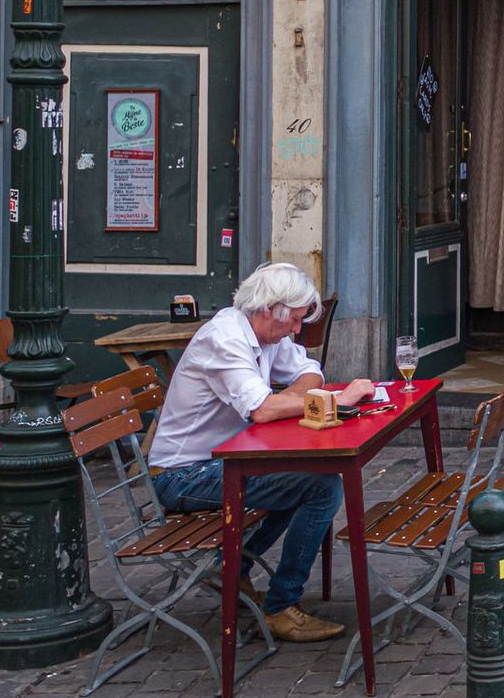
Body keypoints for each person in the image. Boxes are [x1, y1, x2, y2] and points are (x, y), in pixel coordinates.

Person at [147, 263, 374, 643]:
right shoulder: (224, 338)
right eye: (295, 320)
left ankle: (229, 567)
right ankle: (281, 606)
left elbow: (309, 371)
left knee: (305, 481)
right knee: (322, 488)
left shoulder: (266, 333)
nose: (297, 330)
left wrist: (292, 397)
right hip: (182, 475)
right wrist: (334, 401)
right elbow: (262, 410)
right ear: (270, 309)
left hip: (227, 460)